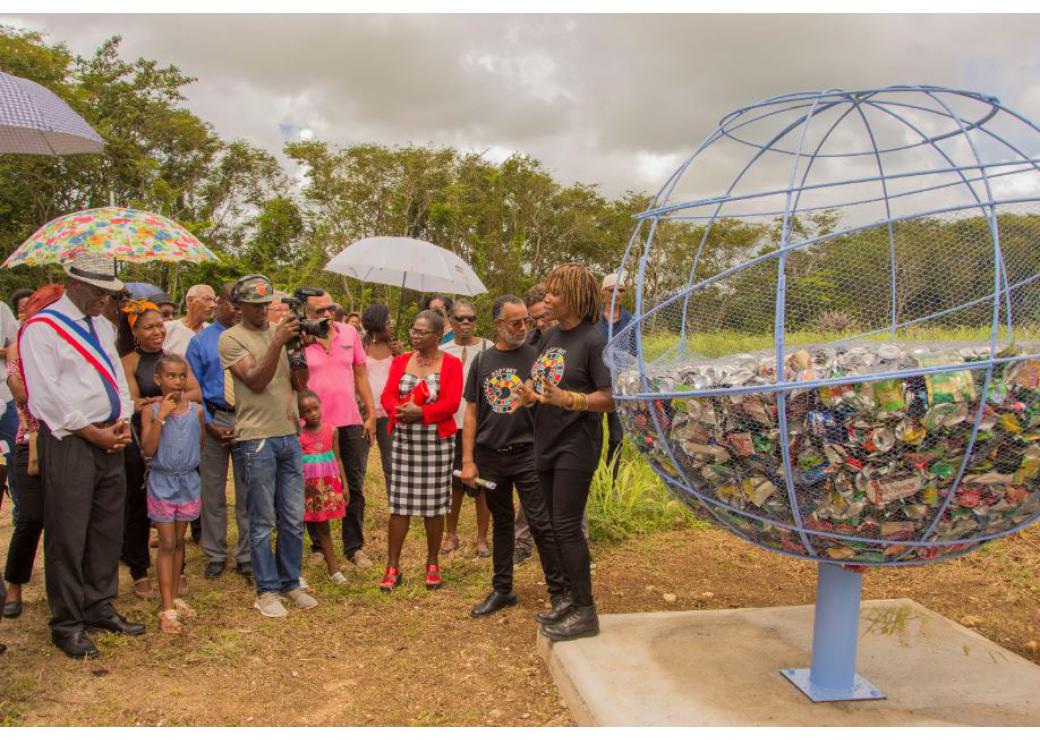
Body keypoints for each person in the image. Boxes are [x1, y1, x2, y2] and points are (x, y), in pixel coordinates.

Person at [20, 254, 144, 658]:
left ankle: (99, 605)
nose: (103, 300)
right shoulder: (43, 330)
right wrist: (92, 432)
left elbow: (117, 379)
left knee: (107, 528)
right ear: (74, 285)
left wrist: (123, 419)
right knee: (69, 533)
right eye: (97, 293)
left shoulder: (103, 326)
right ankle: (67, 622)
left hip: (111, 437)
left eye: (107, 293)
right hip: (73, 440)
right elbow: (45, 395)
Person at [517, 263, 615, 641]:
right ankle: (568, 602)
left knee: (567, 527)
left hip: (576, 445)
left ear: (573, 298)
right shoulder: (551, 335)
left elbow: (610, 398)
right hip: (546, 439)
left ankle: (586, 611)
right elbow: (539, 378)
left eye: (554, 294)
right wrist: (528, 392)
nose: (546, 300)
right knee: (551, 526)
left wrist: (570, 399)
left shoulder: (594, 341)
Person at [460, 294, 568, 617]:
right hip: (491, 455)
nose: (523, 327)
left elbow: (552, 403)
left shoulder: (536, 356)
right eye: (515, 322)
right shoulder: (482, 361)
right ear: (497, 325)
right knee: (502, 523)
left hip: (528, 453)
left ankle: (560, 593)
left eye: (525, 320)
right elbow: (471, 413)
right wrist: (468, 460)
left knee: (541, 523)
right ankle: (503, 589)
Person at [219, 274, 316, 618]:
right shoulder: (231, 339)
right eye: (255, 305)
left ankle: (290, 581)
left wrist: (298, 350)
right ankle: (267, 590)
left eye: (266, 304)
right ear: (238, 306)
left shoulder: (280, 334)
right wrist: (277, 342)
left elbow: (302, 385)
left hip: (288, 433)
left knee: (292, 517)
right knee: (262, 520)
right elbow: (256, 381)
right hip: (255, 438)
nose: (262, 311)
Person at [118, 301, 203, 599]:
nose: (157, 331)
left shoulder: (173, 360)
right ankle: (139, 570)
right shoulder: (129, 362)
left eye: (160, 325)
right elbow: (132, 400)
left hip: (177, 439)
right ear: (136, 332)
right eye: (149, 327)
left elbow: (195, 392)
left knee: (177, 510)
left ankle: (177, 571)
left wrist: (159, 401)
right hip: (142, 439)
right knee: (138, 506)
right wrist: (160, 404)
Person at [379, 310, 463, 592]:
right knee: (399, 504)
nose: (414, 335)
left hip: (436, 443)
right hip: (404, 439)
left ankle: (432, 562)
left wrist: (422, 413)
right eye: (413, 330)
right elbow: (387, 395)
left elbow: (451, 403)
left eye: (421, 332)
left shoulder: (450, 363)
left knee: (434, 506)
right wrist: (399, 410)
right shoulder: (402, 360)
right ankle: (393, 565)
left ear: (437, 336)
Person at [302, 290, 377, 570]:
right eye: (318, 311)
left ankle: (354, 546)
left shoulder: (349, 333)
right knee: (315, 485)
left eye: (330, 309)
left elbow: (360, 375)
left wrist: (370, 413)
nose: (326, 315)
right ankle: (319, 546)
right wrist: (302, 341)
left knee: (354, 485)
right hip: (313, 424)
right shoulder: (300, 337)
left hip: (349, 419)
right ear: (307, 313)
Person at [3, 285, 64, 622]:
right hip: (29, 442)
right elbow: (21, 391)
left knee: (63, 520)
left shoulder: (64, 345)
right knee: (30, 517)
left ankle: (63, 592)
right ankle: (14, 584)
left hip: (65, 441)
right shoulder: (18, 347)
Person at [185, 283, 252, 581]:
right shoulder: (200, 342)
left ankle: (247, 555)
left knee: (248, 492)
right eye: (232, 303)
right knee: (211, 492)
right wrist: (209, 422)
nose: (237, 309)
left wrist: (246, 420)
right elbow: (192, 387)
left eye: (242, 304)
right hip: (212, 419)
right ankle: (214, 554)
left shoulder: (251, 338)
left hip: (247, 420)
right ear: (220, 304)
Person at [139, 353, 204, 634]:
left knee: (179, 541)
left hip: (188, 482)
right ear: (158, 379)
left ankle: (175, 595)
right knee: (165, 542)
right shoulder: (150, 411)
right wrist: (161, 417)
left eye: (181, 376)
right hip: (162, 483)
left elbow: (199, 443)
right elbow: (149, 449)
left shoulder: (196, 411)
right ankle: (165, 606)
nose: (177, 382)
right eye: (171, 376)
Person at [439, 299, 492, 557]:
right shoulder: (443, 350)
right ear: (451, 321)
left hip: (482, 427)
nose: (466, 323)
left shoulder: (488, 349)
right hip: (451, 426)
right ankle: (451, 535)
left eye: (470, 318)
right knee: (454, 484)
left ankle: (482, 538)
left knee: (481, 483)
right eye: (460, 319)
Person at [514, 282, 559, 563]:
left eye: (545, 316)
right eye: (535, 319)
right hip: (533, 425)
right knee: (532, 485)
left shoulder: (571, 339)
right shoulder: (529, 343)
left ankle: (579, 542)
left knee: (569, 486)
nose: (541, 323)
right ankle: (522, 542)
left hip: (566, 423)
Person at [297, 390, 349, 584]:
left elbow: (337, 459)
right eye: (306, 411)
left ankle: (333, 570)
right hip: (305, 490)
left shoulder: (332, 431)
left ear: (321, 405)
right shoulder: (299, 435)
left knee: (324, 528)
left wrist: (344, 485)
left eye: (315, 408)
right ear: (301, 414)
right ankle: (296, 574)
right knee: (297, 529)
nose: (312, 414)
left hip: (325, 490)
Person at [596, 273, 633, 482]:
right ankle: (591, 478)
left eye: (621, 290)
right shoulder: (593, 319)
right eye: (612, 290)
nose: (617, 294)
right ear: (603, 292)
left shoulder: (631, 320)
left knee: (617, 438)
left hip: (619, 387)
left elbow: (635, 352)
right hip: (595, 386)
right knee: (593, 438)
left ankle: (610, 481)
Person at [361, 305, 400, 496]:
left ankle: (397, 509)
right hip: (363, 413)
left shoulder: (395, 347)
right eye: (387, 321)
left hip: (388, 413)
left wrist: (400, 356)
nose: (391, 324)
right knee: (358, 467)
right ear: (377, 323)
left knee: (392, 465)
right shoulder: (360, 345)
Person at [163, 284, 215, 356]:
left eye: (214, 300)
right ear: (190, 301)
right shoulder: (167, 329)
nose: (213, 305)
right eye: (207, 299)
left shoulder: (213, 333)